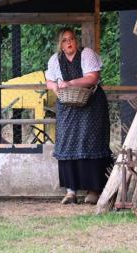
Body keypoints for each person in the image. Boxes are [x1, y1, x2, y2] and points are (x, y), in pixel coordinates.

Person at [45, 28, 112, 204]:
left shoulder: (86, 54)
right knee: (67, 143)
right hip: (67, 106)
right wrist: (56, 88)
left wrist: (70, 83)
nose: (69, 42)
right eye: (65, 40)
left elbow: (92, 77)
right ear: (60, 44)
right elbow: (50, 81)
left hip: (91, 105)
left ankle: (94, 190)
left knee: (91, 141)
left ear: (76, 41)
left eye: (71, 39)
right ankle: (71, 191)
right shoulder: (55, 59)